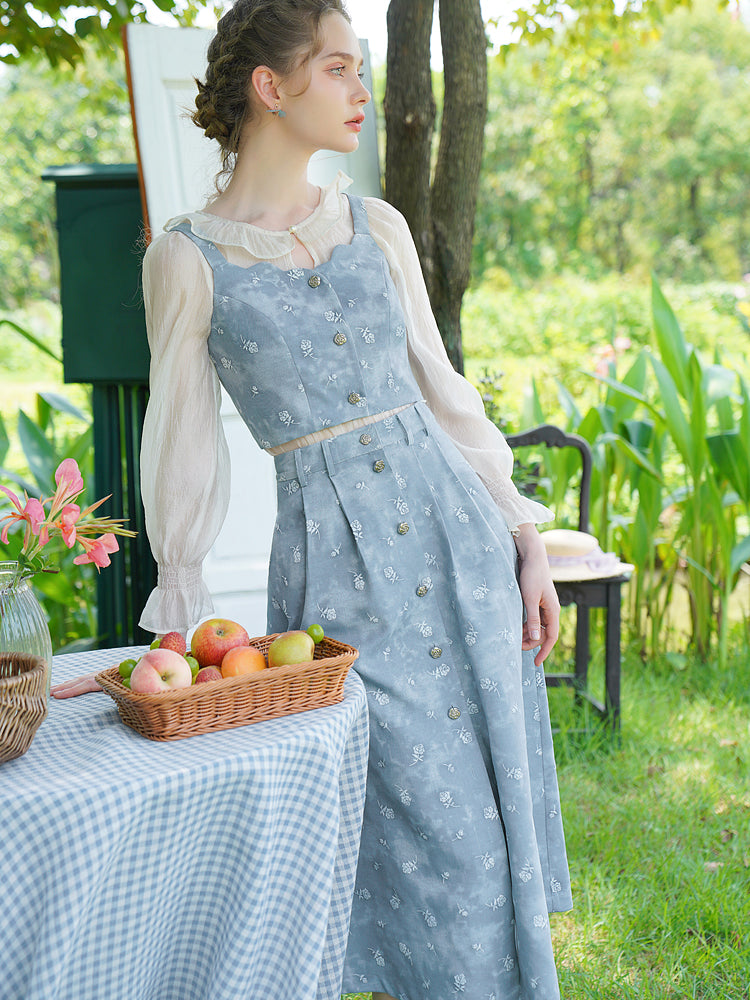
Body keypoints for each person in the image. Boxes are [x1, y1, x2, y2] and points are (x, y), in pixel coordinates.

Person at [53, 1, 572, 996]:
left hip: (457, 542)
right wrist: (182, 594)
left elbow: (440, 386)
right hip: (340, 571)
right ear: (271, 85)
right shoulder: (188, 259)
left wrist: (525, 534)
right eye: (337, 67)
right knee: (409, 822)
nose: (359, 89)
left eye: (360, 67)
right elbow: (183, 439)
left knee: (481, 815)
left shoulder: (373, 224)